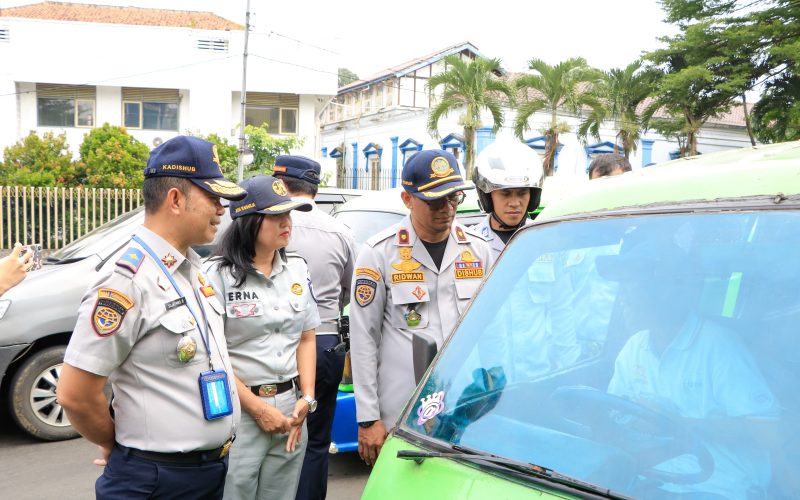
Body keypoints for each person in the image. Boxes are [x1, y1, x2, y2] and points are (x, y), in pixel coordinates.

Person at [57, 135, 247, 499]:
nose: (222, 209)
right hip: (155, 480)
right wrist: (123, 448)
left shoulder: (194, 269)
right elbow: (75, 394)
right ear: (175, 199)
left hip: (208, 470)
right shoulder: (126, 279)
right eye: (213, 197)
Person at [350, 149, 495, 465]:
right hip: (402, 408)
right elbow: (363, 341)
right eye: (435, 201)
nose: (447, 209)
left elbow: (490, 331)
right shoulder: (378, 253)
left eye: (453, 198)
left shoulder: (478, 250)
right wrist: (367, 417)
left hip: (463, 403)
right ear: (407, 199)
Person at [601, 240, 778, 498]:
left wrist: (675, 423)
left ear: (663, 291)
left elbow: (766, 432)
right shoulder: (633, 348)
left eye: (630, 287)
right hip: (650, 480)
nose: (622, 299)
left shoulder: (718, 346)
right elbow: (615, 413)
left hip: (719, 487)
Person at [203, 175, 320, 500]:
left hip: (291, 409)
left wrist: (307, 399)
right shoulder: (216, 276)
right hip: (239, 412)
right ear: (249, 221)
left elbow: (307, 338)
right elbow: (212, 356)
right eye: (277, 215)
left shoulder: (297, 269)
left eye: (290, 214)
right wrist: (257, 408)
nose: (287, 223)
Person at [272, 155, 357, 500]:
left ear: (280, 184)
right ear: (315, 188)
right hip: (324, 342)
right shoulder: (341, 231)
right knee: (317, 441)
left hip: (272, 345)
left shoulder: (263, 223)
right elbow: (351, 289)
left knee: (270, 439)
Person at [473, 139, 545, 258]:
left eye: (522, 193)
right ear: (487, 197)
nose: (515, 203)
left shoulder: (545, 238)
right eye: (505, 194)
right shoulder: (472, 243)